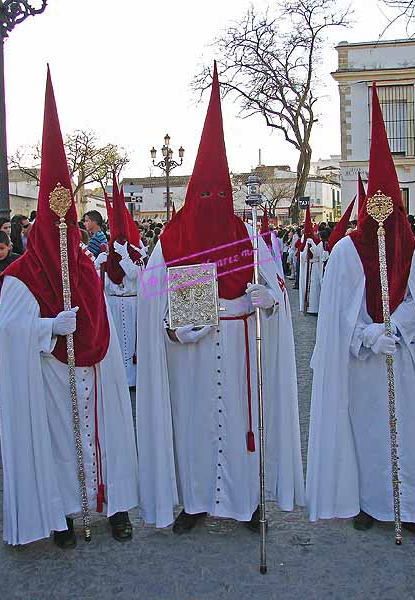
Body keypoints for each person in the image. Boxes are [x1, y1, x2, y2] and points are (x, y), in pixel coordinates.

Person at [136, 63, 304, 534]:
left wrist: (265, 298)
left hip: (238, 347)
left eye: (217, 191)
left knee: (240, 425)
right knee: (193, 425)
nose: (210, 200)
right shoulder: (171, 239)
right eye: (202, 191)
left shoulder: (247, 237)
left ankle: (247, 503)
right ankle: (194, 503)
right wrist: (173, 325)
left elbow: (278, 296)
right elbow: (150, 298)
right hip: (189, 353)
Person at [0, 68, 138, 548]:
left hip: (96, 370)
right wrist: (47, 327)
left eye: (69, 225)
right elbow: (10, 331)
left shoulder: (85, 264)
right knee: (58, 448)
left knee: (107, 440)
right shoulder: (20, 276)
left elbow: (101, 318)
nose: (62, 236)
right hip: (50, 377)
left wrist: (98, 345)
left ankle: (115, 507)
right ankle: (62, 516)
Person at [307, 83, 415, 543]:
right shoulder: (344, 252)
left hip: (406, 357)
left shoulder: (411, 248)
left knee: (413, 432)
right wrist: (365, 335)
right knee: (369, 435)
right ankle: (370, 503)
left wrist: (398, 325)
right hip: (365, 363)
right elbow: (337, 314)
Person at [95, 178, 145, 388]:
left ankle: (134, 378)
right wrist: (99, 266)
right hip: (114, 303)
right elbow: (103, 286)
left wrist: (125, 256)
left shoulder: (136, 254)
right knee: (116, 341)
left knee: (133, 342)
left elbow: (134, 276)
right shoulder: (106, 257)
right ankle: (118, 377)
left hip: (132, 303)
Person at [298, 208, 323, 314]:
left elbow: (318, 254)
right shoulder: (303, 243)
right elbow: (302, 257)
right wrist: (305, 250)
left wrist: (312, 246)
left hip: (315, 267)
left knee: (315, 288)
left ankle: (315, 307)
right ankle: (306, 306)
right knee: (306, 287)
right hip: (306, 268)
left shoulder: (318, 242)